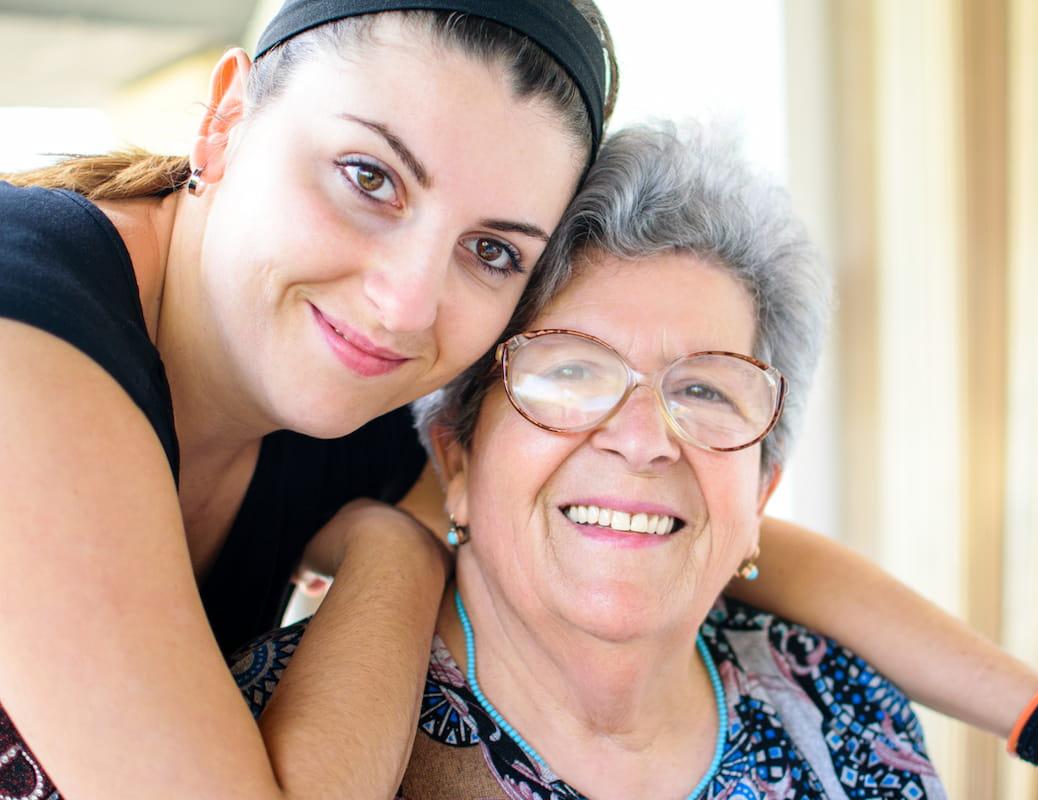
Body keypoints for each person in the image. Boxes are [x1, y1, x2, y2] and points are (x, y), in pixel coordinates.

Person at [234, 123, 1038, 798]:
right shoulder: (253, 735)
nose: (643, 439)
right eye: (571, 372)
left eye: (707, 390)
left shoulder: (842, 707)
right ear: (460, 459)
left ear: (762, 487)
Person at [0, 2, 619, 798]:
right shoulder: (24, 339)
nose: (406, 307)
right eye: (370, 178)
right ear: (227, 122)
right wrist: (395, 553)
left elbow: (646, 500)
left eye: (492, 251)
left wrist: (835, 593)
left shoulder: (361, 397)